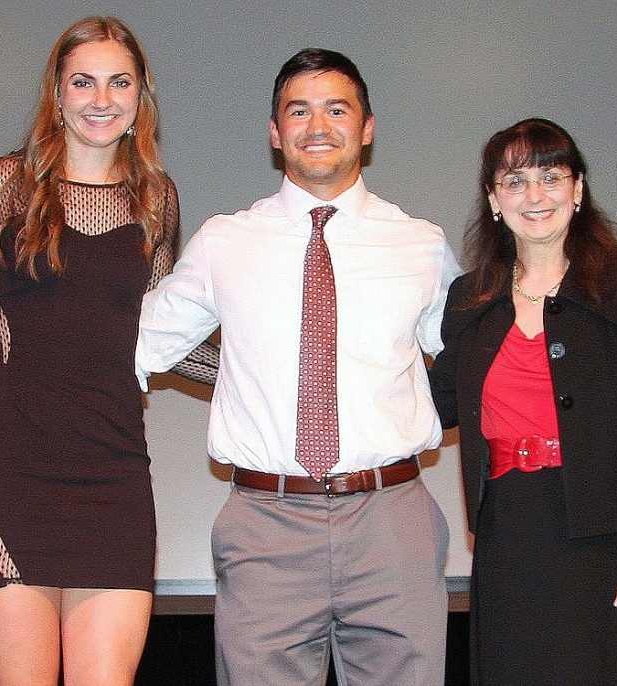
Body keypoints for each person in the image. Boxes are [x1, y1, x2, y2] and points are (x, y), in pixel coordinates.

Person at [136, 48, 461, 686]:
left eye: (337, 110)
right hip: (265, 527)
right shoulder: (224, 241)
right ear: (275, 131)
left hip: (393, 521)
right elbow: (132, 347)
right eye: (299, 111)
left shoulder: (419, 244)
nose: (318, 126)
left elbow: (479, 362)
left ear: (367, 129)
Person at [0, 16, 216, 686]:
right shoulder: (2, 186)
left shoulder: (155, 199)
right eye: (84, 81)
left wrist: (279, 378)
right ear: (58, 93)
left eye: (119, 82)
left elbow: (163, 339)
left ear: (140, 98)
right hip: (12, 477)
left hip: (114, 480)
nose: (102, 98)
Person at [429, 118, 617, 685]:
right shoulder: (470, 298)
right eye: (515, 181)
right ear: (494, 199)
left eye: (551, 176)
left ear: (577, 189)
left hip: (605, 539)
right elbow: (436, 405)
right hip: (507, 533)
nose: (535, 195)